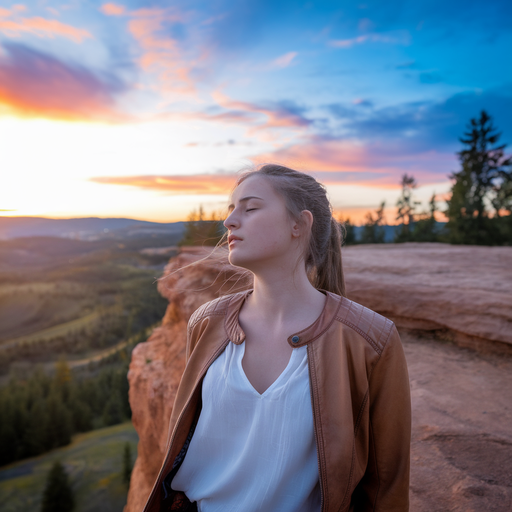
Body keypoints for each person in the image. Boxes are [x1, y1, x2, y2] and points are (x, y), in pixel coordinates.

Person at [142, 164, 411, 512]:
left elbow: (387, 484)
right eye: (231, 209)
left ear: (299, 224)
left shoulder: (370, 341)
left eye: (250, 208)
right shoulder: (207, 323)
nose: (230, 221)